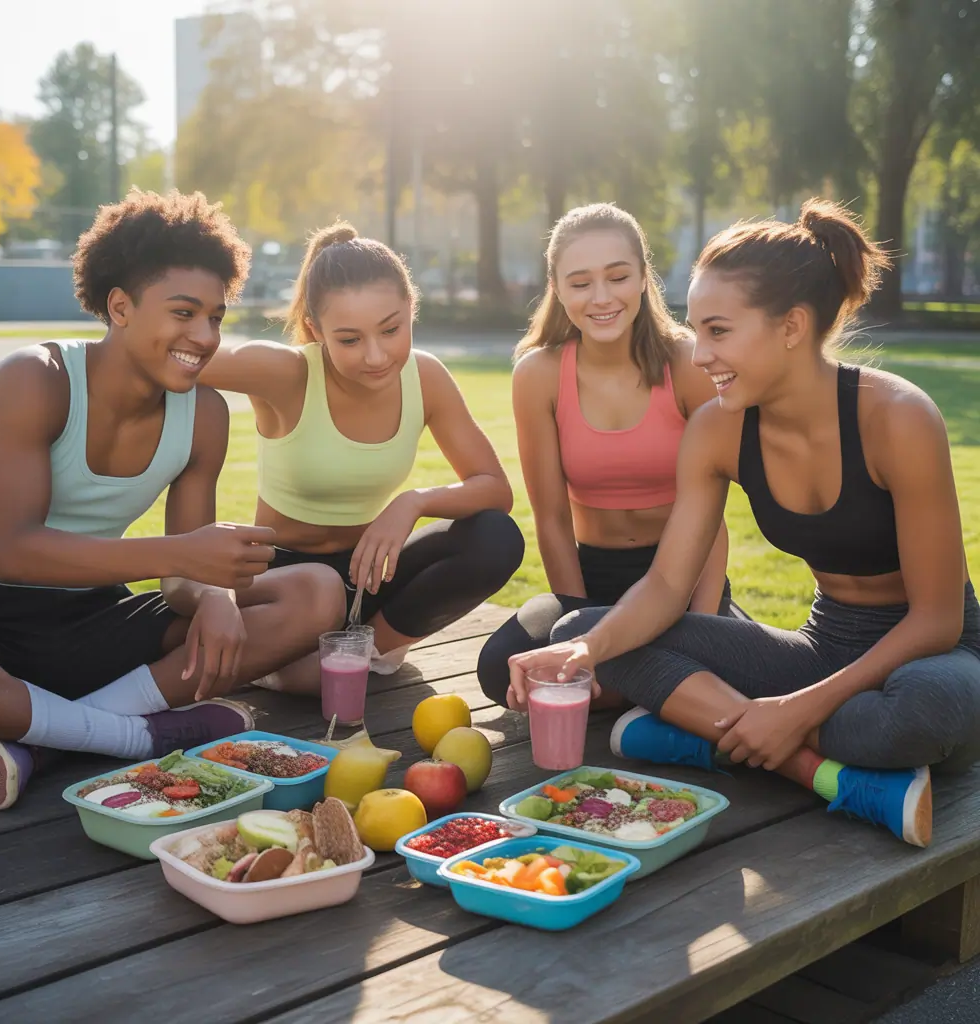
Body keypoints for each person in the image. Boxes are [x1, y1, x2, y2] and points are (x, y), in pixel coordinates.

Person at [509, 199, 980, 848]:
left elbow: (937, 619)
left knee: (916, 716)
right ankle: (809, 767)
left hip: (932, 655)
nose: (699, 355)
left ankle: (701, 733)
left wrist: (796, 709)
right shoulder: (718, 429)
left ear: (791, 326)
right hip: (824, 645)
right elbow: (668, 586)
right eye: (697, 330)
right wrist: (586, 652)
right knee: (584, 627)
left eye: (719, 332)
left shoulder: (897, 417)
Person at [0, 189, 347, 810]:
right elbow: (13, 553)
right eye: (184, 312)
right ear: (120, 306)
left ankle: (44, 740)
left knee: (316, 594)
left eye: (215, 317)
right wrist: (186, 556)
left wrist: (212, 593)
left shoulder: (204, 417)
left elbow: (178, 577)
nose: (204, 335)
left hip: (90, 616)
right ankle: (134, 735)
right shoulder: (36, 379)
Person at [198, 222, 524, 689]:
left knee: (495, 536)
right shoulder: (285, 373)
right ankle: (296, 665)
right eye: (349, 340)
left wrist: (412, 502)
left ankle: (367, 653)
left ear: (411, 308)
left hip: (366, 575)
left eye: (391, 329)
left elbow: (494, 488)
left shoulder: (425, 377)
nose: (376, 356)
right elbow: (174, 356)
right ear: (316, 329)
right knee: (312, 629)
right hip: (287, 586)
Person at [477, 203, 736, 707]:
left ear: (643, 277)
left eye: (617, 277)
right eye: (580, 283)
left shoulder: (687, 362)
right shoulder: (538, 375)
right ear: (556, 286)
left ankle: (667, 679)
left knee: (698, 655)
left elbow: (712, 516)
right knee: (498, 669)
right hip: (590, 578)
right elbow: (551, 519)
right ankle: (664, 689)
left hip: (683, 574)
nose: (601, 298)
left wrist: (705, 627)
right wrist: (574, 626)